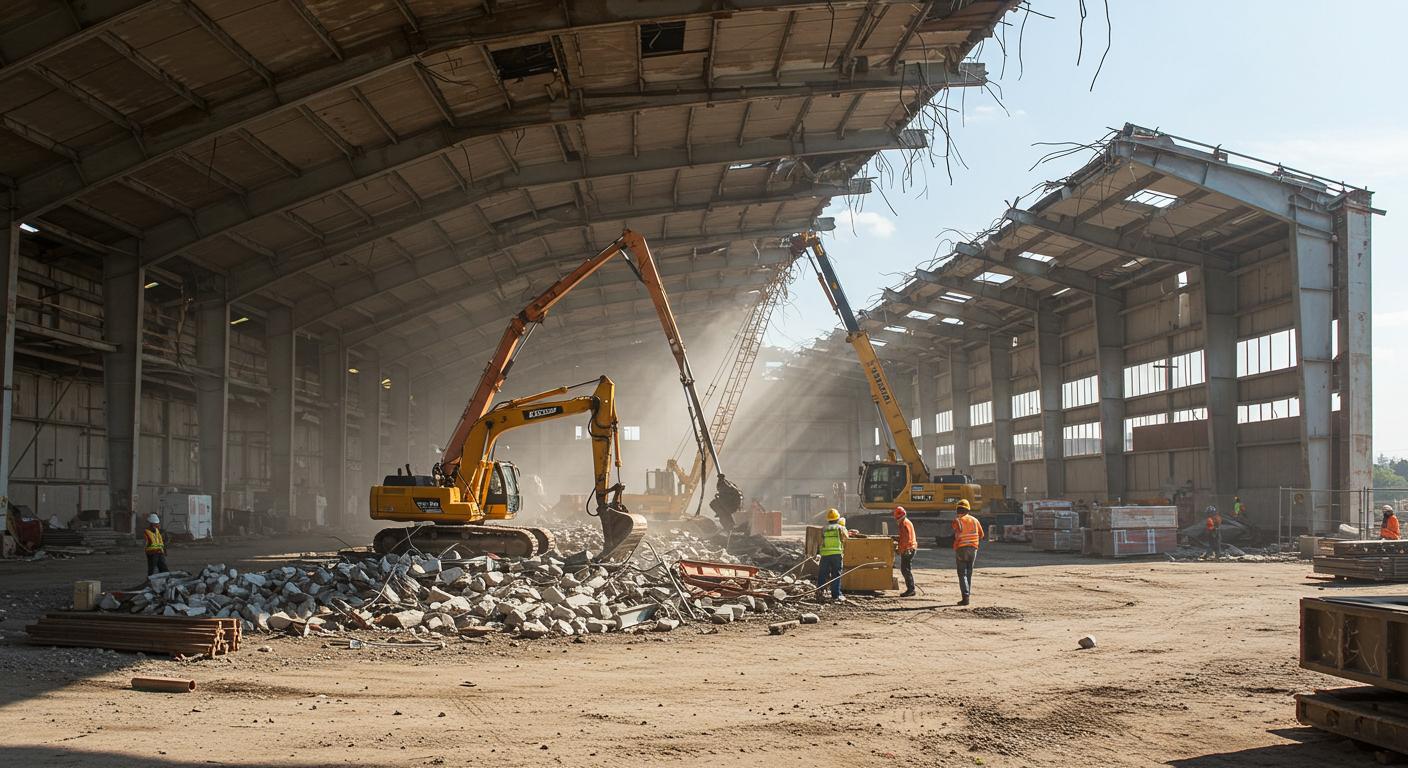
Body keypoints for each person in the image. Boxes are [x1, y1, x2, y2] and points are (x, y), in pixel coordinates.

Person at [951, 499, 983, 606]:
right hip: (973, 549)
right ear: (968, 510)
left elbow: (955, 532)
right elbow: (981, 535)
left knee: (962, 574)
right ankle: (967, 595)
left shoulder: (958, 521)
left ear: (957, 510)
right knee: (969, 573)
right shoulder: (975, 520)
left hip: (961, 548)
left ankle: (965, 597)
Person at [815, 508, 848, 602]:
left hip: (825, 554)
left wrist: (819, 552)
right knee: (836, 574)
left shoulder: (824, 528)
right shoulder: (840, 528)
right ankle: (836, 594)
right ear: (837, 518)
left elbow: (819, 541)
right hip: (837, 554)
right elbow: (845, 537)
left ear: (828, 519)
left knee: (822, 574)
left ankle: (820, 592)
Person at [894, 506, 917, 597]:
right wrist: (896, 538)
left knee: (905, 570)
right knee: (906, 569)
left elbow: (905, 539)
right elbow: (904, 537)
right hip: (911, 548)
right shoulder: (907, 522)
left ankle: (911, 590)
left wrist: (899, 550)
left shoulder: (903, 524)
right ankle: (911, 589)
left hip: (908, 549)